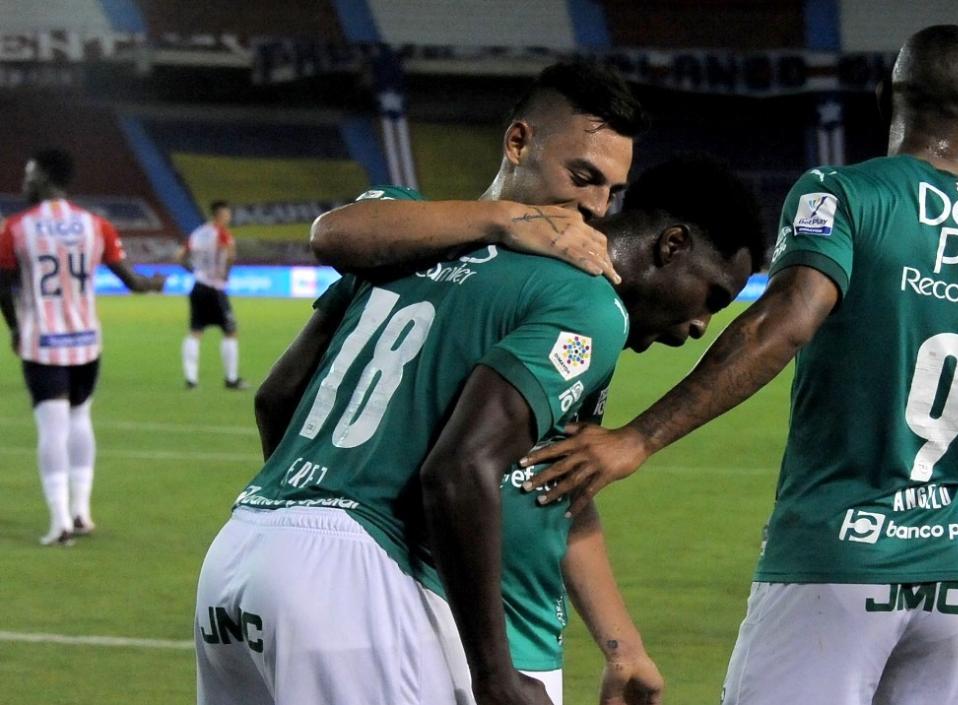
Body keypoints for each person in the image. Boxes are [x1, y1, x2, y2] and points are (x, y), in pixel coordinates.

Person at [519, 26, 958, 705]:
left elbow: (783, 324)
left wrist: (638, 436)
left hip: (834, 559)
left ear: (885, 98)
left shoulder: (843, 195)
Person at [195, 155, 760, 705]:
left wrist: (622, 647)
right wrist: (494, 674)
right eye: (712, 297)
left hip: (253, 546)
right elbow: (461, 468)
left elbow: (558, 482)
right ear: (673, 244)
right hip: (414, 607)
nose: (699, 326)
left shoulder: (426, 253)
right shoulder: (584, 302)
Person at [0, 148, 165, 546]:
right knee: (80, 420)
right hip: (87, 342)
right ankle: (81, 512)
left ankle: (59, 523)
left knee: (51, 428)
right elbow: (132, 282)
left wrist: (15, 328)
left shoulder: (17, 228)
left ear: (43, 176)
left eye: (28, 175)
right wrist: (153, 283)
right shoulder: (96, 225)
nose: (23, 183)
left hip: (43, 343)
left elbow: (3, 285)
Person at [178, 200, 245, 389]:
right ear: (221, 215)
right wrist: (225, 274)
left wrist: (194, 271)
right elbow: (230, 255)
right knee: (230, 331)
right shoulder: (222, 234)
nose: (229, 218)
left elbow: (179, 256)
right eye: (227, 214)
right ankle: (231, 379)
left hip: (198, 286)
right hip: (215, 288)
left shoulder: (198, 233)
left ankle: (191, 379)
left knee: (195, 331)